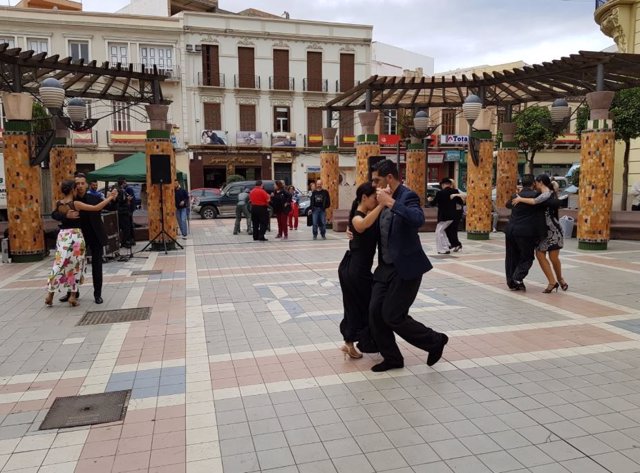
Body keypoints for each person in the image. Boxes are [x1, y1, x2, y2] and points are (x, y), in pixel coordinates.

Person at [368, 159, 449, 372]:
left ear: (389, 178)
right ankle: (392, 358)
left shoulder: (407, 196)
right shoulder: (380, 200)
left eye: (377, 180)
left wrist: (391, 203)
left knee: (393, 315)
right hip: (385, 267)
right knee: (375, 313)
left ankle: (435, 340)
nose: (374, 185)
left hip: (406, 268)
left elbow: (417, 219)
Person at [46, 181, 118, 307]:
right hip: (76, 237)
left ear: (86, 185)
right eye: (77, 184)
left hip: (68, 236)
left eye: (82, 183)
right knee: (75, 266)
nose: (79, 186)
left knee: (60, 264)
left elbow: (108, 207)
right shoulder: (76, 202)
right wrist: (110, 197)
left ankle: (52, 294)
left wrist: (112, 199)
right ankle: (72, 295)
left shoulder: (61, 203)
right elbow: (96, 208)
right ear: (73, 189)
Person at [338, 182, 383, 359]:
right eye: (374, 198)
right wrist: (381, 205)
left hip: (353, 268)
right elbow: (361, 224)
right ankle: (368, 341)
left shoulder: (362, 210)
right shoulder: (358, 215)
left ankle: (349, 344)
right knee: (369, 307)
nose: (376, 201)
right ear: (364, 198)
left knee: (353, 306)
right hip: (356, 270)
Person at [512, 174, 568, 293]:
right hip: (543, 231)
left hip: (553, 230)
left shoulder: (547, 194)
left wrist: (520, 198)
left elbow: (535, 201)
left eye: (536, 183)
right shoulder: (543, 194)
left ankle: (560, 279)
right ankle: (552, 282)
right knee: (540, 254)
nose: (534, 185)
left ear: (540, 182)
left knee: (553, 258)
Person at [504, 174, 546, 292]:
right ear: (533, 183)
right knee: (527, 257)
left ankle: (512, 282)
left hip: (511, 230)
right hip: (526, 232)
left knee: (512, 257)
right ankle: (517, 278)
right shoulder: (536, 196)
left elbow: (507, 205)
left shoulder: (516, 195)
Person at [431, 178, 462, 254]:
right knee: (443, 231)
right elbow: (460, 202)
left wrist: (430, 200)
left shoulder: (440, 193)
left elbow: (433, 203)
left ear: (443, 184)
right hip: (453, 216)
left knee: (438, 232)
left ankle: (444, 249)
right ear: (450, 184)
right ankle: (448, 245)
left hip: (444, 216)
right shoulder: (455, 192)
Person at [115, 177, 135, 248]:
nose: (126, 184)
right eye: (125, 182)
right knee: (126, 228)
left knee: (127, 228)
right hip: (122, 212)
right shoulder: (119, 190)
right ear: (122, 183)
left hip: (124, 211)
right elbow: (119, 201)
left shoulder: (122, 190)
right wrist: (127, 199)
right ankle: (124, 242)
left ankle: (125, 241)